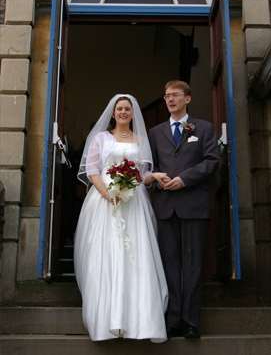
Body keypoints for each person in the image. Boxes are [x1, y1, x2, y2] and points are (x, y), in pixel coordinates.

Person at [74, 94, 169, 342]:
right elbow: (93, 169)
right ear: (113, 113)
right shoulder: (101, 139)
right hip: (106, 201)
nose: (124, 112)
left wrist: (154, 176)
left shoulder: (141, 140)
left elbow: (142, 175)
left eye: (127, 108)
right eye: (120, 109)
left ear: (133, 113)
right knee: (107, 254)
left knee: (137, 256)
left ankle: (141, 322)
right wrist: (107, 193)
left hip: (133, 202)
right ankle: (107, 321)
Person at [148, 80, 219, 339]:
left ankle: (191, 321)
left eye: (175, 95)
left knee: (193, 265)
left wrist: (185, 179)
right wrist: (158, 177)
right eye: (166, 96)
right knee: (169, 265)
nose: (170, 100)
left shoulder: (204, 128)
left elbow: (212, 161)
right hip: (165, 206)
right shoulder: (155, 133)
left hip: (193, 205)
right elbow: (150, 164)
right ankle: (172, 319)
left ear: (187, 98)